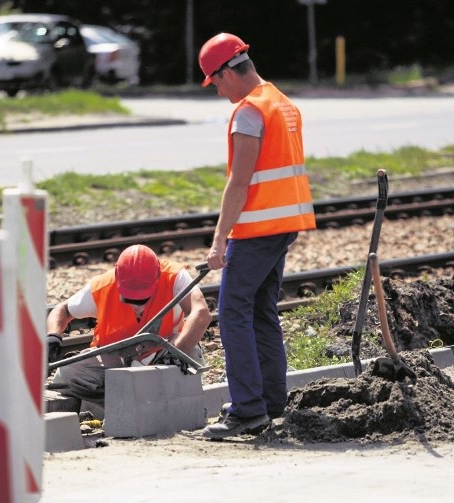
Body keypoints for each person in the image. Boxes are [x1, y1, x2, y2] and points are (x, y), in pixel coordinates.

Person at [198, 32, 316, 439]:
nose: (216, 91)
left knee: (232, 312)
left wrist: (218, 241)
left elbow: (239, 182)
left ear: (227, 72)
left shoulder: (249, 111)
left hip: (258, 228)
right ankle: (270, 401)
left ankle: (248, 409)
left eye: (214, 82)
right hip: (284, 225)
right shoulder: (282, 102)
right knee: (262, 311)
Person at [46, 244, 211, 407]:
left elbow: (201, 313)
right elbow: (62, 310)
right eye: (129, 299)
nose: (136, 306)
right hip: (116, 356)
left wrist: (179, 350)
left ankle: (171, 404)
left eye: (142, 299)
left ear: (157, 276)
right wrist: (53, 335)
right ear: (118, 280)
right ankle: (122, 404)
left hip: (164, 353)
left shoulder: (174, 276)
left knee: (191, 354)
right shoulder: (101, 286)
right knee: (67, 375)